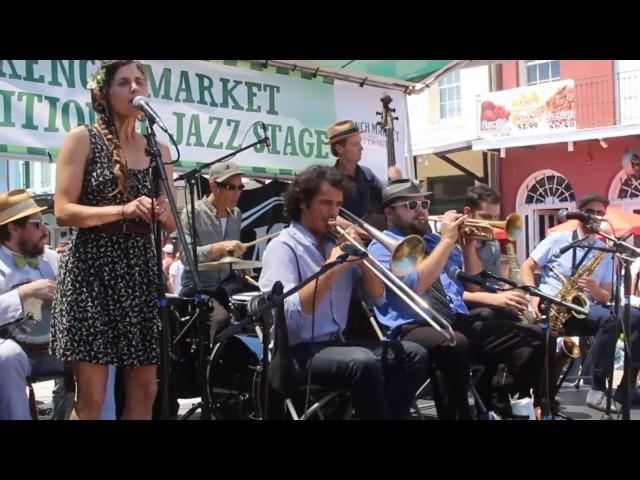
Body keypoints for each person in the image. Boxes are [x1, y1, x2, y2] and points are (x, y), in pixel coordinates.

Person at [50, 60, 176, 420]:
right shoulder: (82, 138)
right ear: (103, 93)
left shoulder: (159, 151)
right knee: (93, 397)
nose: (135, 88)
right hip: (92, 272)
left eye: (139, 81)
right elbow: (63, 210)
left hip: (139, 272)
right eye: (124, 82)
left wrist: (161, 212)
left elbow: (171, 224)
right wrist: (123, 210)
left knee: (146, 389)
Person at [368, 179, 551, 419]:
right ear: (389, 212)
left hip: (454, 319)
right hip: (413, 324)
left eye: (423, 203)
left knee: (535, 335)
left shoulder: (434, 241)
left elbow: (472, 284)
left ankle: (526, 405)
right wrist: (446, 240)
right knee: (454, 344)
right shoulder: (381, 247)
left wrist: (468, 244)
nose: (421, 210)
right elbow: (416, 286)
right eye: (411, 205)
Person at [259, 166, 428, 419]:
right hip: (298, 351)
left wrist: (364, 256)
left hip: (336, 344)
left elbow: (375, 297)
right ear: (303, 202)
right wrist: (331, 267)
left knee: (414, 355)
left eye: (338, 204)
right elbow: (290, 317)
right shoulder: (283, 247)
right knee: (363, 362)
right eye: (325, 203)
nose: (333, 212)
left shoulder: (334, 243)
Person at [520, 192, 620, 412]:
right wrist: (533, 294)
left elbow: (606, 296)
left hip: (579, 309)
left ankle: (597, 388)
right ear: (579, 212)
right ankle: (541, 398)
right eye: (590, 211)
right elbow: (527, 267)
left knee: (611, 319)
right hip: (549, 304)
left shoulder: (604, 251)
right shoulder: (557, 240)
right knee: (542, 339)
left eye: (600, 213)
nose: (595, 216)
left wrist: (595, 289)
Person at [179, 160, 251, 299]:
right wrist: (221, 246)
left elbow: (230, 254)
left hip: (225, 286)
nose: (237, 192)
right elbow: (186, 257)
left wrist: (241, 264)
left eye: (240, 187)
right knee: (221, 319)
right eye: (231, 187)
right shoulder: (193, 212)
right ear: (213, 186)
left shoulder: (236, 214)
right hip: (199, 288)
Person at [462, 184, 528, 323]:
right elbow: (467, 290)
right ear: (468, 213)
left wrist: (510, 291)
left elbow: (494, 282)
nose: (492, 224)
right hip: (471, 311)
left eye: (496, 217)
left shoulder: (493, 243)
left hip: (493, 305)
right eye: (486, 217)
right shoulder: (454, 244)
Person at [327, 120, 384, 232]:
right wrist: (354, 229)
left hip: (369, 239)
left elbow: (387, 199)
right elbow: (328, 214)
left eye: (360, 143)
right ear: (339, 149)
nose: (361, 148)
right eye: (355, 144)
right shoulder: (329, 180)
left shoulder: (367, 174)